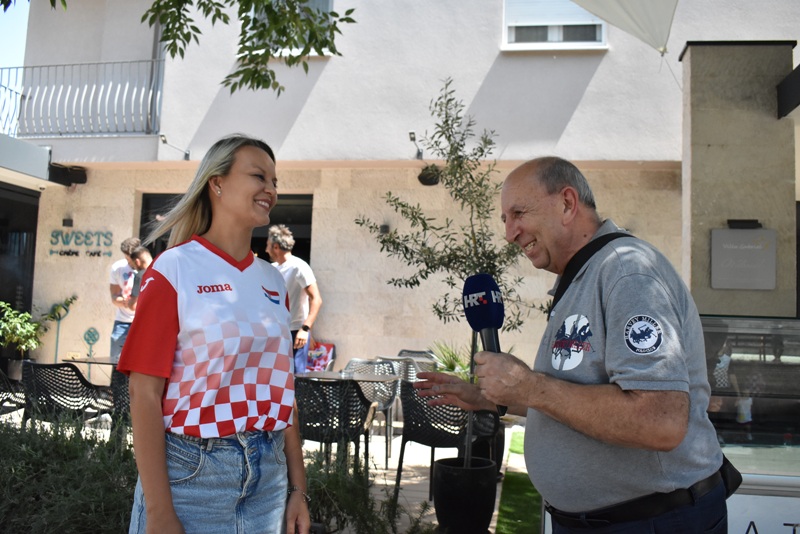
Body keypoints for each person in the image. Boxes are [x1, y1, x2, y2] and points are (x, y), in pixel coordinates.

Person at [417, 157, 727, 533]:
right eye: (505, 219)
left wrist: (531, 385)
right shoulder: (583, 276)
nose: (510, 233)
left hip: (651, 521)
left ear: (567, 203)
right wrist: (490, 397)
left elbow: (660, 422)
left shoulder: (627, 273)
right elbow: (577, 398)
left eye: (518, 213)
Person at [116, 134, 310, 534]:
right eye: (258, 175)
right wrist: (159, 511)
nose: (270, 190)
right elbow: (144, 393)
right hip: (191, 480)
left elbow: (283, 392)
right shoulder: (173, 270)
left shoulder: (273, 280)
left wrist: (298, 488)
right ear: (216, 183)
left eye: (275, 181)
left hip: (268, 481)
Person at [266, 224, 322, 374]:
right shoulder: (272, 269)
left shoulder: (299, 267)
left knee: (296, 376)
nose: (266, 250)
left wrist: (305, 329)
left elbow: (316, 299)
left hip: (295, 331)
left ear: (276, 246)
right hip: (276, 331)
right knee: (276, 374)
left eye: (268, 245)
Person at [108, 237, 141, 363]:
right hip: (122, 322)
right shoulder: (118, 268)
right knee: (116, 362)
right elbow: (114, 296)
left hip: (141, 322)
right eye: (126, 257)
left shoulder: (148, 268)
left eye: (131, 258)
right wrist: (123, 301)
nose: (129, 261)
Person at [126, 244, 154, 311]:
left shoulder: (141, 275)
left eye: (133, 266)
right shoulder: (161, 272)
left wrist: (128, 302)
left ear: (137, 262)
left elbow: (133, 305)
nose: (135, 268)